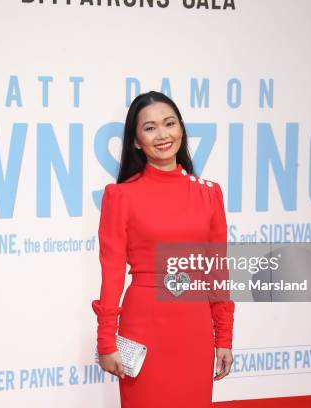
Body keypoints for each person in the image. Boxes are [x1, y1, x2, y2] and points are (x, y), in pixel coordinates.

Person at [91, 91, 235, 407]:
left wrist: (223, 337)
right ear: (136, 141)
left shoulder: (209, 195)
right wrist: (106, 339)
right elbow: (112, 271)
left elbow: (216, 271)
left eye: (169, 123)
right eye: (150, 127)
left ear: (181, 129)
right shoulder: (120, 196)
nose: (162, 134)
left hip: (194, 328)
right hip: (144, 327)